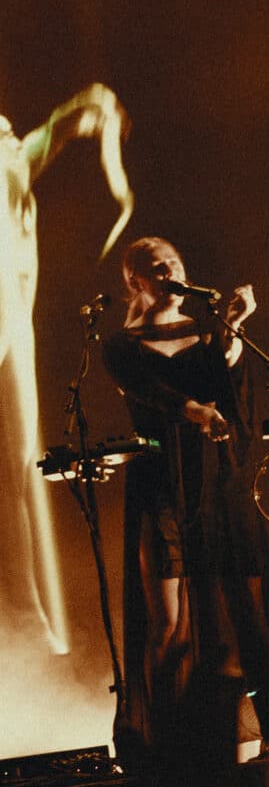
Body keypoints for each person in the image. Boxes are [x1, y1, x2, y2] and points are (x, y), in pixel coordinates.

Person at [102, 236, 269, 768]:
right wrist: (194, 411)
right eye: (156, 267)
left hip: (216, 479)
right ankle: (167, 746)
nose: (169, 272)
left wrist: (232, 327)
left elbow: (231, 392)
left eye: (175, 263)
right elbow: (151, 393)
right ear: (135, 281)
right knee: (166, 618)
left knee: (247, 609)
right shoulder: (121, 345)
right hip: (161, 482)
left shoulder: (208, 332)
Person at [1, 82, 130, 656]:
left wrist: (86, 110)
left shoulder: (10, 164)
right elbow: (48, 136)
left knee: (17, 468)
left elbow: (46, 138)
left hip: (11, 328)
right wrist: (77, 113)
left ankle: (24, 607)